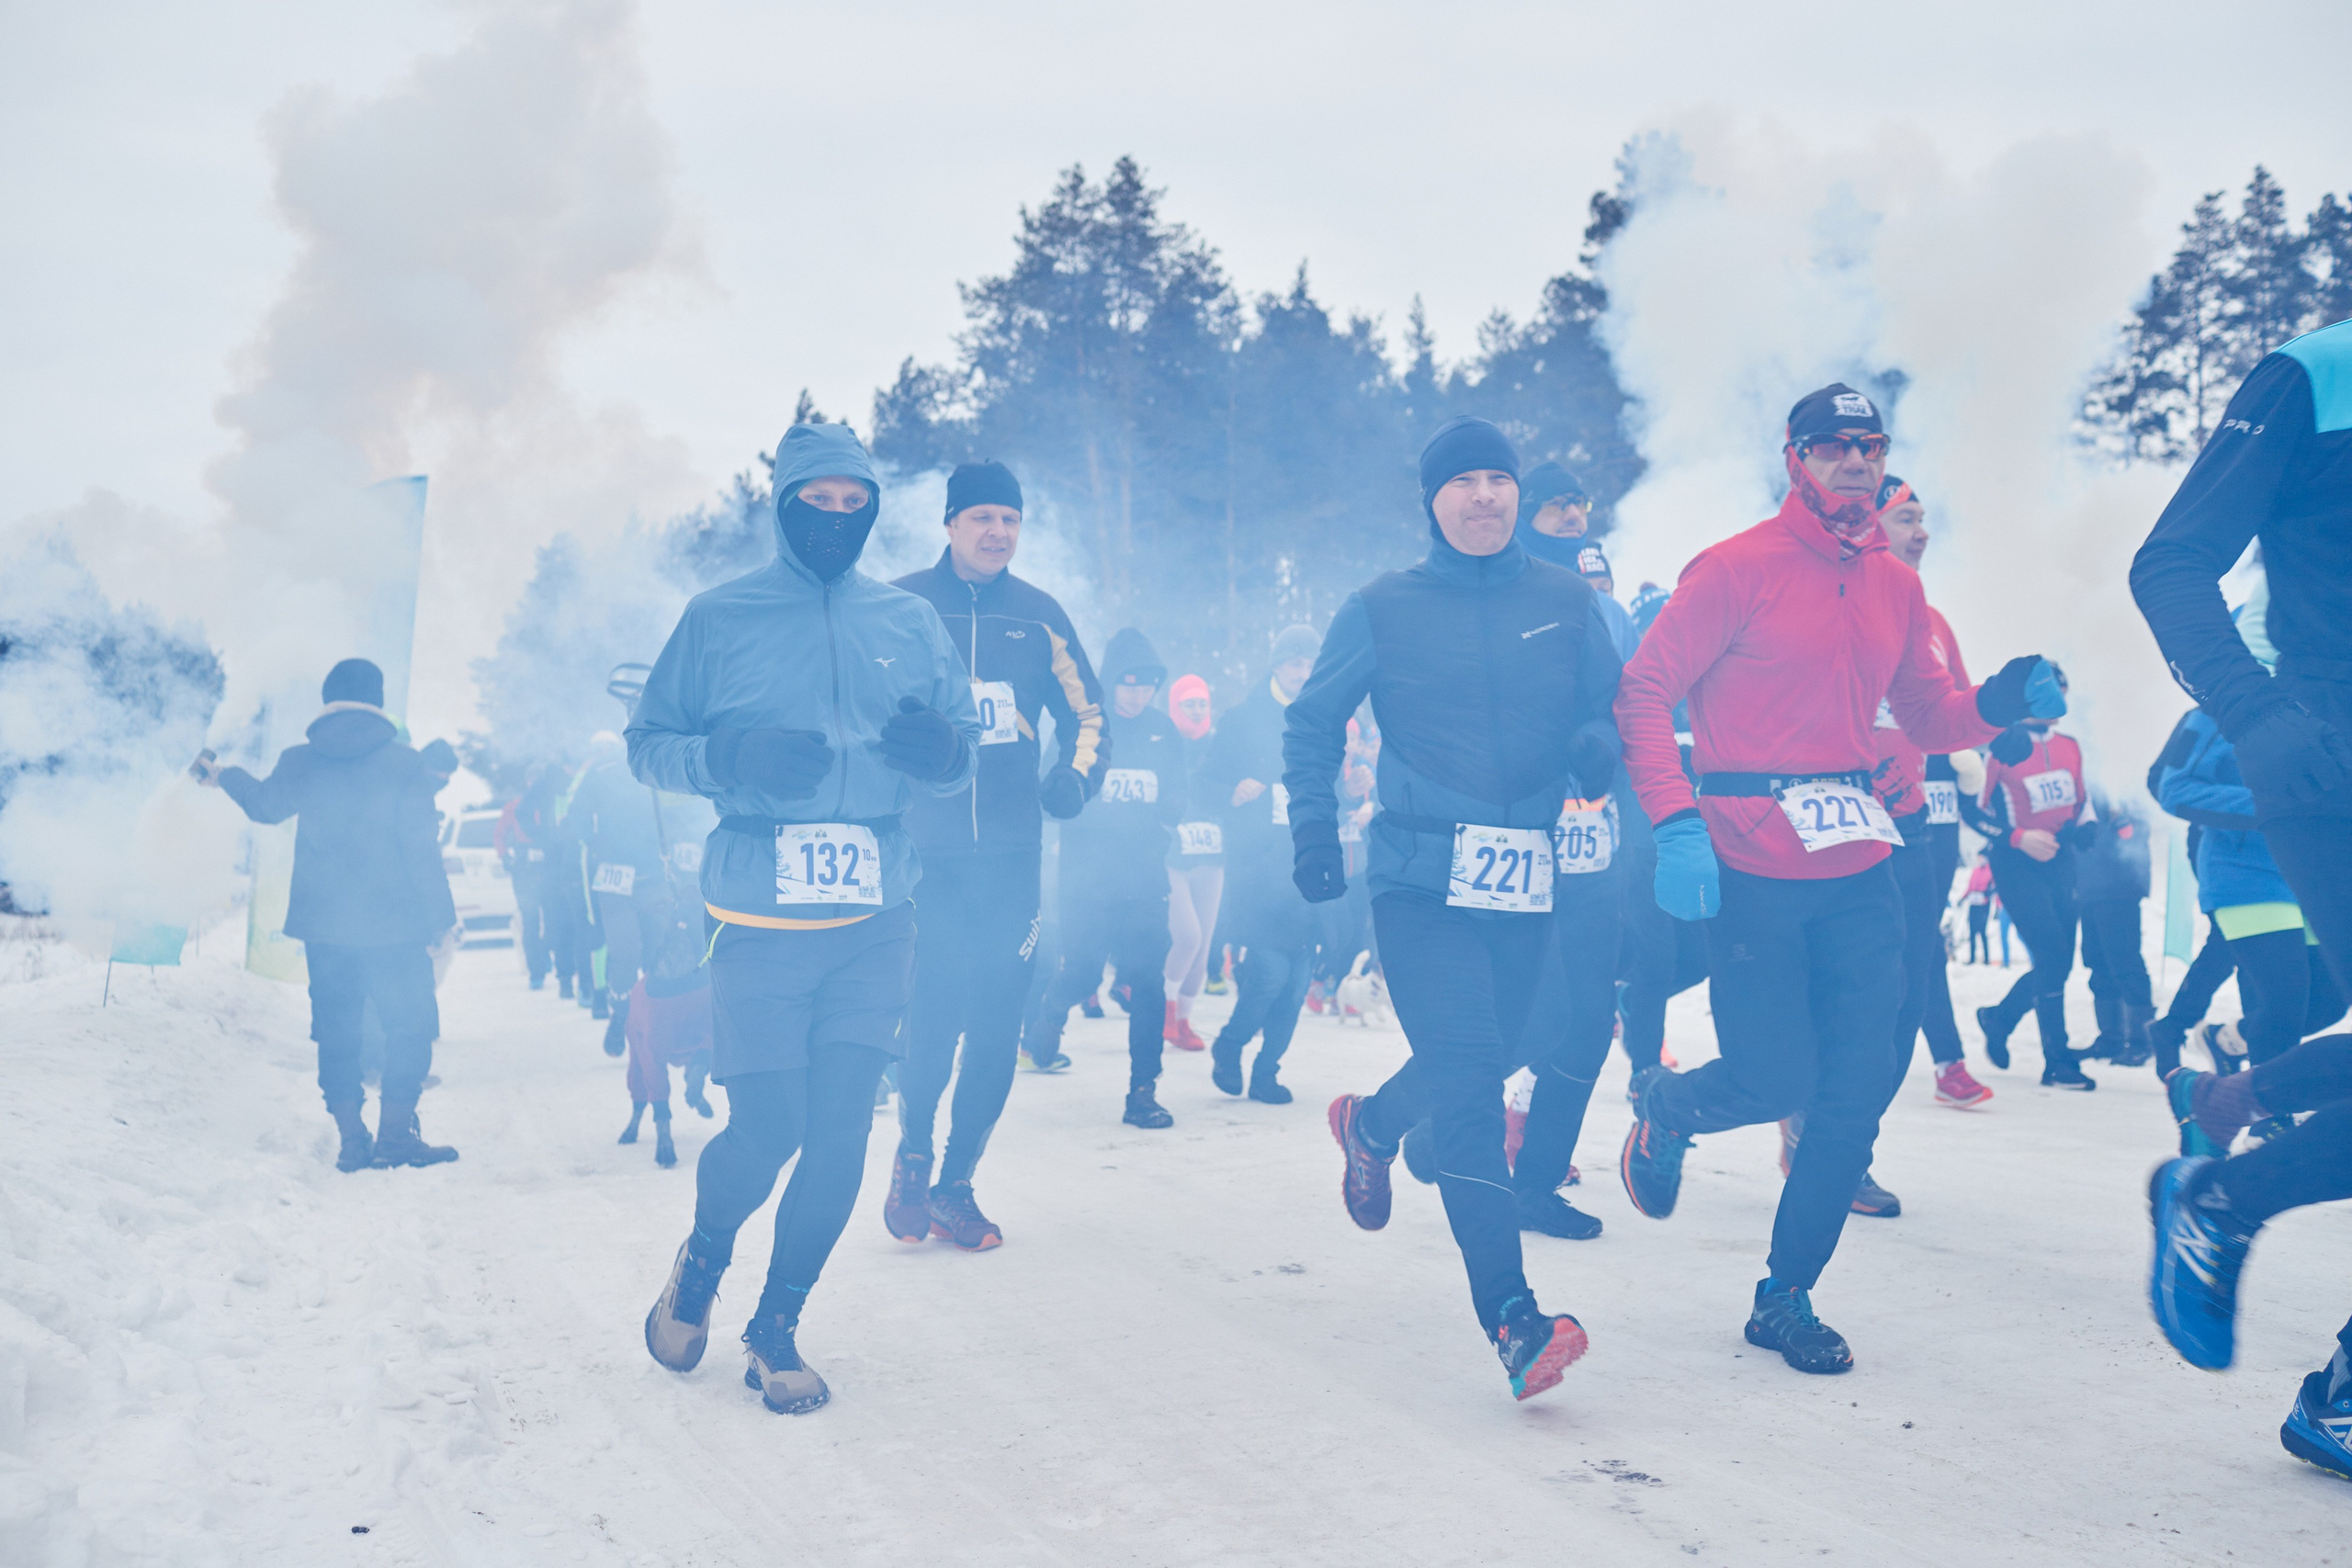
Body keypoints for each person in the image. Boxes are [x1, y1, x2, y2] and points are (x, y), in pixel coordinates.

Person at [1613, 382, 2061, 1375]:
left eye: (1869, 446)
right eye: (1832, 447)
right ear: (1795, 459)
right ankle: (1670, 1105)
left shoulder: (1899, 590)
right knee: (1777, 1073)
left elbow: (1932, 718)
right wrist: (1675, 823)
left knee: (1855, 1092)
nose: (1854, 462)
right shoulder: (1734, 569)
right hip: (1750, 858)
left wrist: (1995, 701)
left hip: (1861, 856)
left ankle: (1785, 1294)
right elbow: (1644, 690)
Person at [631, 422, 980, 1416]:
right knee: (770, 1125)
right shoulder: (718, 618)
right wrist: (727, 758)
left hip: (876, 910)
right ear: (782, 505)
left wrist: (941, 752)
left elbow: (959, 739)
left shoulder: (907, 620)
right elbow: (649, 745)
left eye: (853, 503)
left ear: (871, 508)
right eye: (816, 502)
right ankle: (701, 1261)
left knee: (838, 1136)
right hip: (759, 911)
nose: (836, 519)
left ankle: (775, 1327)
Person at [1294, 415, 1623, 1401]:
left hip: (1525, 872)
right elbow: (1312, 722)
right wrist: (1314, 832)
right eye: (1462, 482)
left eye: (1498, 478)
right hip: (1418, 877)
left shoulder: (1566, 600)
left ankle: (1377, 1124)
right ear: (1432, 502)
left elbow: (1603, 706)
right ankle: (1515, 1320)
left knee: (1522, 1035)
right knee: (1474, 1083)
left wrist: (1593, 747)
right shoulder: (1382, 605)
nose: (1484, 495)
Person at [2132, 314, 2352, 1477]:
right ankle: (2226, 1200)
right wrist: (2254, 713)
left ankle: (2230, 1173)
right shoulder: (2314, 373)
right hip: (2327, 748)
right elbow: (2167, 562)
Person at [886, 459, 1106, 1249]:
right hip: (928, 854)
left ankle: (955, 1182)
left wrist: (1074, 780)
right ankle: (912, 1152)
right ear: (950, 524)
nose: (997, 532)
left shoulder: (1039, 616)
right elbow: (859, 707)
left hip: (1012, 855)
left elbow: (1090, 712)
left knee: (995, 1021)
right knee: (935, 1012)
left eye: (1010, 519)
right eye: (981, 517)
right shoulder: (903, 604)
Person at [196, 657, 459, 1172]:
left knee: (337, 1030)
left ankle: (351, 1141)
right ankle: (396, 1136)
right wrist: (439, 920)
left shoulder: (301, 760)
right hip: (396, 926)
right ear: (378, 702)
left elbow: (265, 807)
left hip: (327, 926)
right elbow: (421, 850)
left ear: (327, 700)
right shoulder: (404, 764)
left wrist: (222, 774)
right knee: (409, 1025)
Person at [1028, 629, 1188, 1124]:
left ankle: (1143, 1092)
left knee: (1148, 981)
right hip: (1087, 881)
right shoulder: (1085, 730)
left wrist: (1167, 817)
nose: (1138, 695)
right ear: (1110, 682)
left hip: (1144, 882)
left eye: (1147, 686)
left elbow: (1179, 797)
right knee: (1084, 973)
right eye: (1128, 685)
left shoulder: (1165, 732)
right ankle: (1050, 1014)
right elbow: (1051, 798)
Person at [1871, 477, 1993, 1111]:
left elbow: (1956, 712)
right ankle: (1816, 1125)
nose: (1922, 531)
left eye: (1923, 518)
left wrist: (2003, 715)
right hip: (1838, 833)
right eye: (1905, 518)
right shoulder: (1829, 601)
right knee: (1857, 992)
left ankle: (1844, 1144)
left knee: (1908, 986)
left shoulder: (1935, 621)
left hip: (1914, 826)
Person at [2155, 709, 2346, 1071]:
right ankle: (2267, 1115)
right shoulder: (2214, 713)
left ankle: (2229, 1040)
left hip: (2311, 874)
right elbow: (2171, 788)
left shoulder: (2326, 702)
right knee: (2283, 1001)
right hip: (2245, 872)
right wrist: (2269, 806)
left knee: (2330, 1000)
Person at [1197, 624, 1329, 1102]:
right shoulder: (1241, 719)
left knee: (1296, 986)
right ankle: (1230, 1044)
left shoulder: (1322, 717)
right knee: (1270, 975)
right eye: (1295, 662)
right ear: (1276, 664)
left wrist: (1351, 789)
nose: (1303, 672)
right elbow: (1203, 785)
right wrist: (1229, 793)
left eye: (1311, 663)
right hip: (1258, 874)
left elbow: (1328, 785)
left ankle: (1267, 1072)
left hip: (1309, 869)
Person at [1972, 675, 2098, 1088]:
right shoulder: (2003, 747)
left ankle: (1999, 1017)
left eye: (2064, 689)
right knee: (2050, 954)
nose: (2059, 697)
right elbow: (1976, 814)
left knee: (2060, 962)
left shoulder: (2070, 746)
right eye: (2051, 690)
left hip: (2060, 862)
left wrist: (2086, 826)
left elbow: (2081, 801)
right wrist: (2017, 838)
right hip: (2015, 865)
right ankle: (2057, 1061)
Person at [2074, 789, 2155, 1068]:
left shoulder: (2124, 788)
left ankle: (2142, 1040)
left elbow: (2134, 834)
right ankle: (2111, 1036)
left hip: (2120, 889)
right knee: (2097, 962)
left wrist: (2120, 818)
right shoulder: (2087, 791)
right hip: (2088, 888)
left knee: (2125, 963)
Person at [1163, 673, 1223, 1053]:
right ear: (1175, 707)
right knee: (1188, 936)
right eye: (1190, 703)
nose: (1197, 709)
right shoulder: (1164, 743)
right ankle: (1165, 1010)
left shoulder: (1220, 747)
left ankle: (1183, 1019)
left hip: (1213, 851)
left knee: (1203, 949)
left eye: (1202, 702)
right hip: (1172, 854)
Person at [1963, 859, 1994, 964]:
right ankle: (1972, 958)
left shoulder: (1990, 871)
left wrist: (1987, 893)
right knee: (1972, 931)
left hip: (1984, 905)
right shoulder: (1975, 871)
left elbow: (1994, 887)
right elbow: (1970, 886)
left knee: (1982, 931)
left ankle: (1986, 958)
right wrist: (1963, 897)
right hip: (1973, 903)